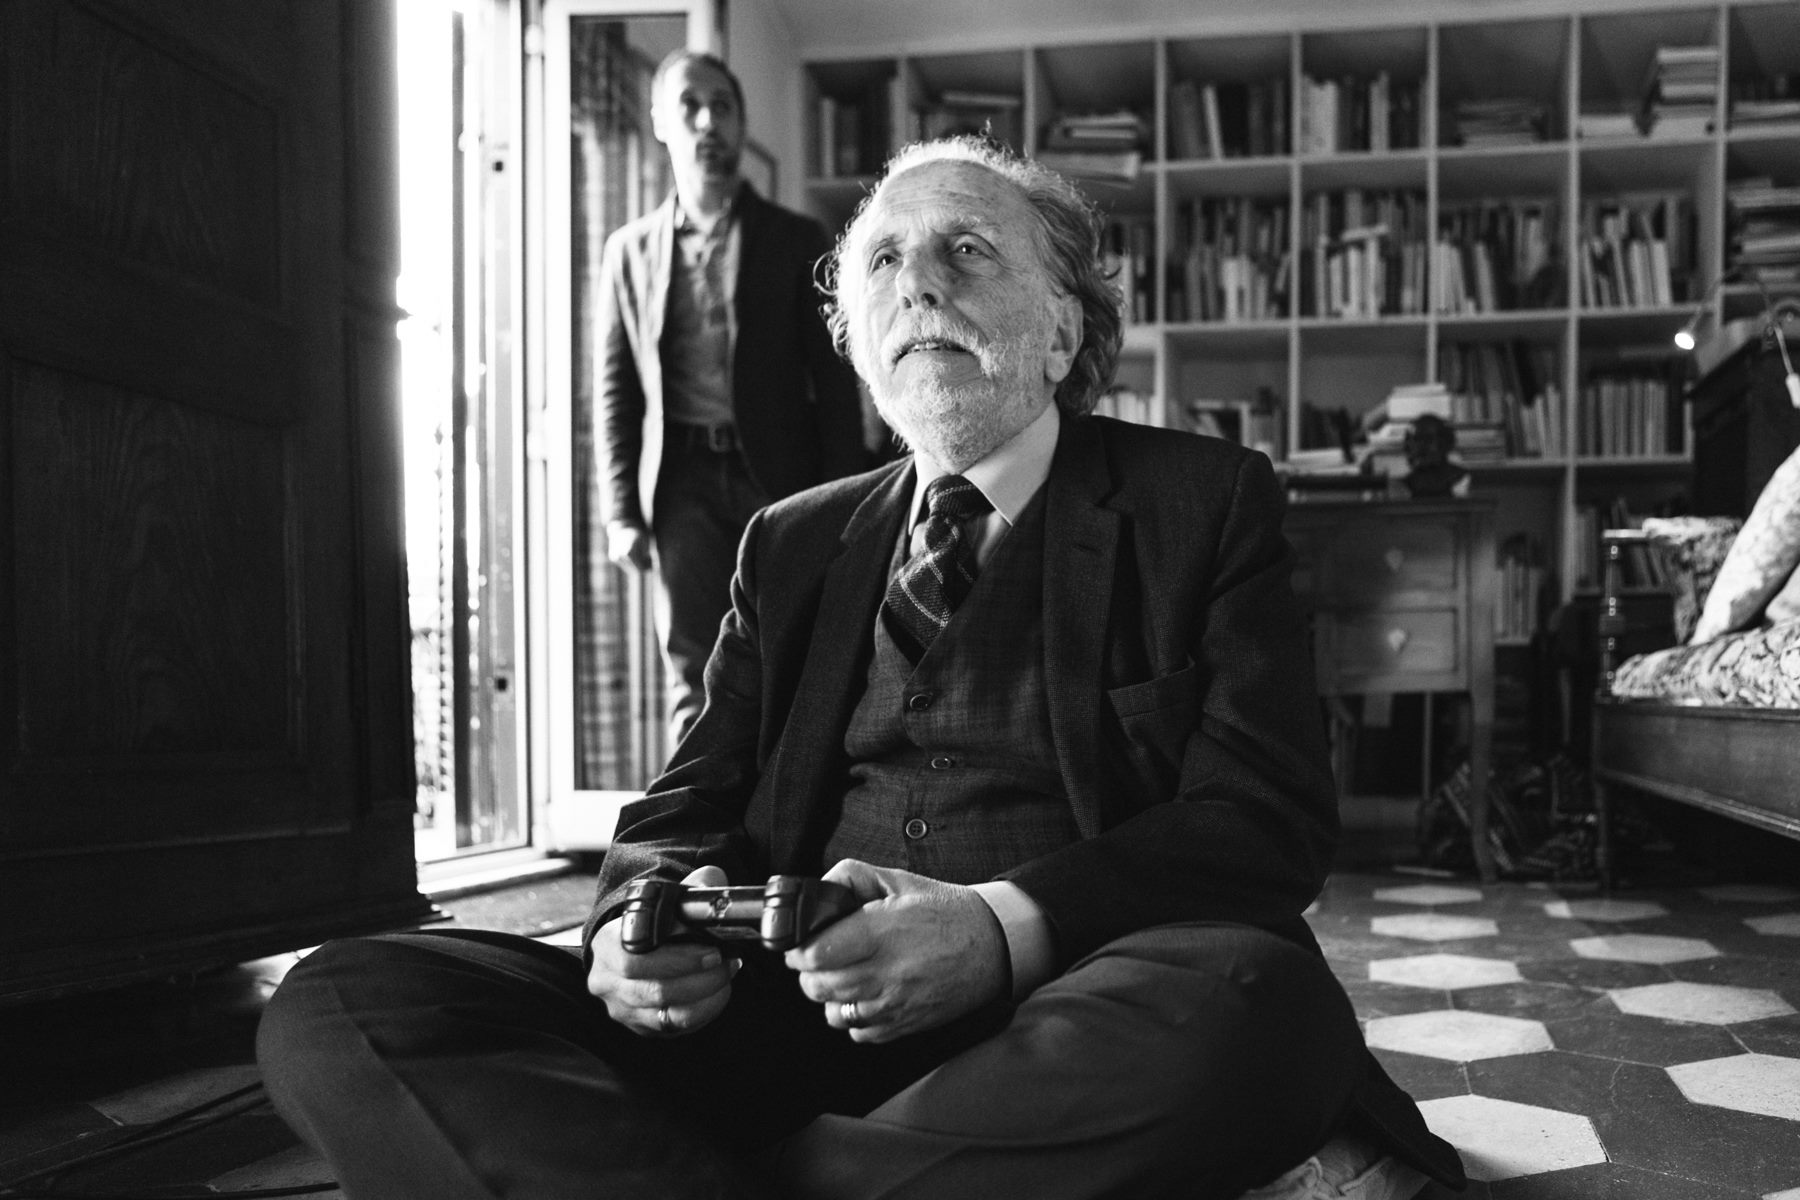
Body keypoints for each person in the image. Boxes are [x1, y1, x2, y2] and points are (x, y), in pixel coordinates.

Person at [257, 136, 1466, 1200]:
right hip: (781, 1007)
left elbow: (1265, 819)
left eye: (966, 252)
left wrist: (995, 930)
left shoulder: (1203, 502)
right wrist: (636, 922)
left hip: (1074, 1006)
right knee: (348, 1000)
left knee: (1260, 1006)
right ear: (859, 345)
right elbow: (685, 805)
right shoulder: (788, 542)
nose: (918, 283)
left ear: (1063, 331)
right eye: (885, 261)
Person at [598, 49, 865, 743]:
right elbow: (616, 388)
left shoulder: (796, 239)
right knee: (694, 669)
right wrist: (621, 512)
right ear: (661, 122)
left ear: (742, 125)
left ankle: (783, 804)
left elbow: (834, 380)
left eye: (722, 106)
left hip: (779, 479)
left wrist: (845, 500)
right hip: (679, 484)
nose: (708, 121)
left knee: (791, 656)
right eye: (689, 105)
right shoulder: (628, 252)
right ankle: (694, 810)